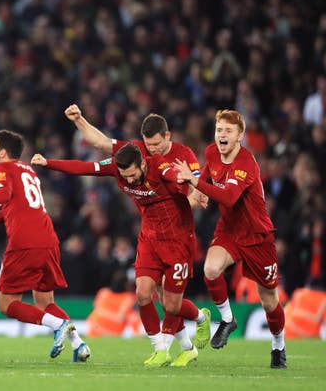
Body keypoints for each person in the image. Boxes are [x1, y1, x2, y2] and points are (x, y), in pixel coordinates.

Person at [33, 106, 209, 365]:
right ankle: (160, 348)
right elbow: (90, 161)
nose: (130, 180)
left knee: (171, 304)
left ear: (167, 137)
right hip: (149, 238)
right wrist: (50, 162)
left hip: (178, 240)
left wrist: (195, 191)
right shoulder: (128, 157)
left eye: (157, 144)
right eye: (149, 144)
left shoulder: (170, 161)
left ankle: (200, 320)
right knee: (143, 293)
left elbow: (184, 180)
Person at [173, 109, 287, 369]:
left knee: (268, 298)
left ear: (240, 137)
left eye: (228, 131)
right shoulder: (213, 152)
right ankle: (227, 320)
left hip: (257, 234)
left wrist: (194, 182)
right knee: (211, 269)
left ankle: (278, 345)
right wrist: (200, 184)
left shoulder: (246, 162)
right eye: (219, 130)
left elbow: (229, 198)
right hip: (229, 229)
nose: (222, 135)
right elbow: (208, 173)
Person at [0, 129, 91, 362]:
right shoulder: (28, 171)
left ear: (2, 152)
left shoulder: (2, 168)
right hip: (48, 239)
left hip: (25, 242)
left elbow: (3, 195)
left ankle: (58, 325)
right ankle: (79, 344)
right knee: (45, 302)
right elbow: (14, 206)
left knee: (5, 304)